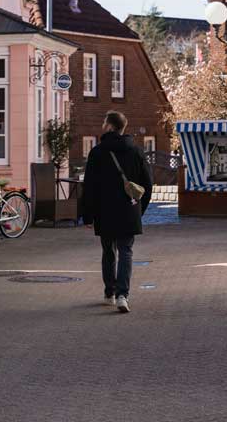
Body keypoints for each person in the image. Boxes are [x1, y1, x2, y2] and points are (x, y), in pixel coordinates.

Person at [81, 111, 153, 313]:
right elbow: (147, 184)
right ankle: (123, 295)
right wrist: (140, 208)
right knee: (126, 251)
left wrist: (87, 215)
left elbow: (89, 187)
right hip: (129, 209)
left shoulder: (97, 152)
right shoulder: (136, 151)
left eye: (105, 122)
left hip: (104, 211)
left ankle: (109, 293)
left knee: (108, 251)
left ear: (110, 126)